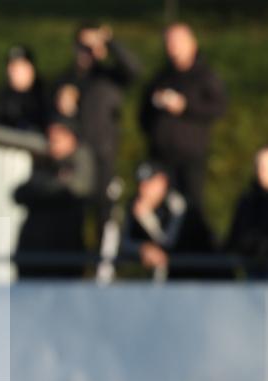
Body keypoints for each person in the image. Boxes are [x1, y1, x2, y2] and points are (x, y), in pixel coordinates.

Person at [52, 23, 141, 222]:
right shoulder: (65, 80)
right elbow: (52, 121)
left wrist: (111, 42)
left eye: (93, 46)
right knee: (71, 211)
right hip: (73, 157)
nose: (88, 52)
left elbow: (134, 69)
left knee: (104, 213)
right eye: (83, 46)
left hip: (104, 155)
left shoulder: (108, 77)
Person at [140, 22, 226, 209]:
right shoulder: (161, 76)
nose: (173, 47)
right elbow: (143, 113)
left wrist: (185, 106)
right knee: (157, 207)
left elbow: (219, 108)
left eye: (178, 42)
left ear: (192, 43)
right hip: (160, 157)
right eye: (169, 43)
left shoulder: (205, 76)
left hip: (190, 158)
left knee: (191, 208)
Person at [14, 119, 96, 278]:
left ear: (71, 139)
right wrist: (54, 184)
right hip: (32, 255)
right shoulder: (45, 164)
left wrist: (45, 189)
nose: (52, 143)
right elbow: (19, 193)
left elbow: (76, 190)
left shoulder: (81, 160)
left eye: (58, 138)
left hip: (63, 256)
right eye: (50, 138)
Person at [122, 161, 215, 280]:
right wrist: (142, 248)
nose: (142, 189)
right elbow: (124, 243)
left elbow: (170, 246)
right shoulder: (135, 204)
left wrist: (146, 219)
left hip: (195, 278)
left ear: (162, 181)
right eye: (141, 183)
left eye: (149, 183)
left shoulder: (178, 205)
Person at [226, 144, 268, 278]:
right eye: (260, 166)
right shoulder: (248, 201)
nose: (263, 171)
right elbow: (234, 238)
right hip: (253, 276)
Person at [0, 45, 47, 133]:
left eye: (20, 66)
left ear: (30, 68)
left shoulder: (45, 93)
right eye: (12, 67)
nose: (15, 71)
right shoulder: (2, 96)